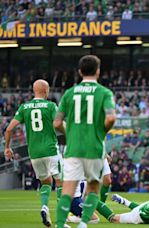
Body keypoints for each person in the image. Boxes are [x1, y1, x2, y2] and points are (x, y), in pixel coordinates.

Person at [54, 55, 116, 228]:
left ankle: (60, 225)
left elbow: (57, 123)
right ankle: (83, 224)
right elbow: (111, 118)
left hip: (73, 149)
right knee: (93, 188)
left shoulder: (69, 93)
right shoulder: (104, 93)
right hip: (94, 148)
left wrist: (71, 134)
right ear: (98, 71)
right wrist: (100, 132)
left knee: (67, 191)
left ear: (80, 71)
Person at [4, 79, 64, 228]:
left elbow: (9, 129)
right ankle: (62, 217)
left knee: (46, 182)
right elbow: (58, 123)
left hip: (35, 153)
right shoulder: (50, 106)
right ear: (45, 90)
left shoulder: (25, 107)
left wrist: (7, 147)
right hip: (50, 149)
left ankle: (44, 207)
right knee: (61, 181)